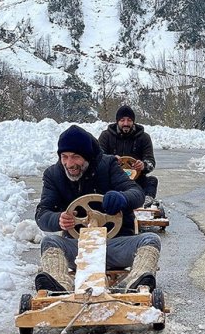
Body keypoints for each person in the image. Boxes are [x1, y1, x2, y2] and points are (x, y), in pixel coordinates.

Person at [35, 125, 161, 293]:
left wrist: (122, 198)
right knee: (49, 242)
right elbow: (42, 214)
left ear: (87, 157)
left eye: (75, 157)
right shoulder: (54, 175)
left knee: (150, 240)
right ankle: (58, 286)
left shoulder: (108, 165)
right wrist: (57, 219)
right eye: (64, 157)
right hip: (78, 248)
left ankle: (136, 283)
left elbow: (137, 193)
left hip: (115, 243)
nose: (69, 163)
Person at [99, 105, 158, 207]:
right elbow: (98, 158)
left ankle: (145, 203)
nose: (126, 123)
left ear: (133, 121)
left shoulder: (144, 138)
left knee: (152, 181)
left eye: (129, 120)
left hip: (136, 180)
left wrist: (143, 165)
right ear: (117, 121)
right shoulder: (106, 136)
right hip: (112, 179)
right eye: (122, 120)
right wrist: (111, 160)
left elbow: (150, 162)